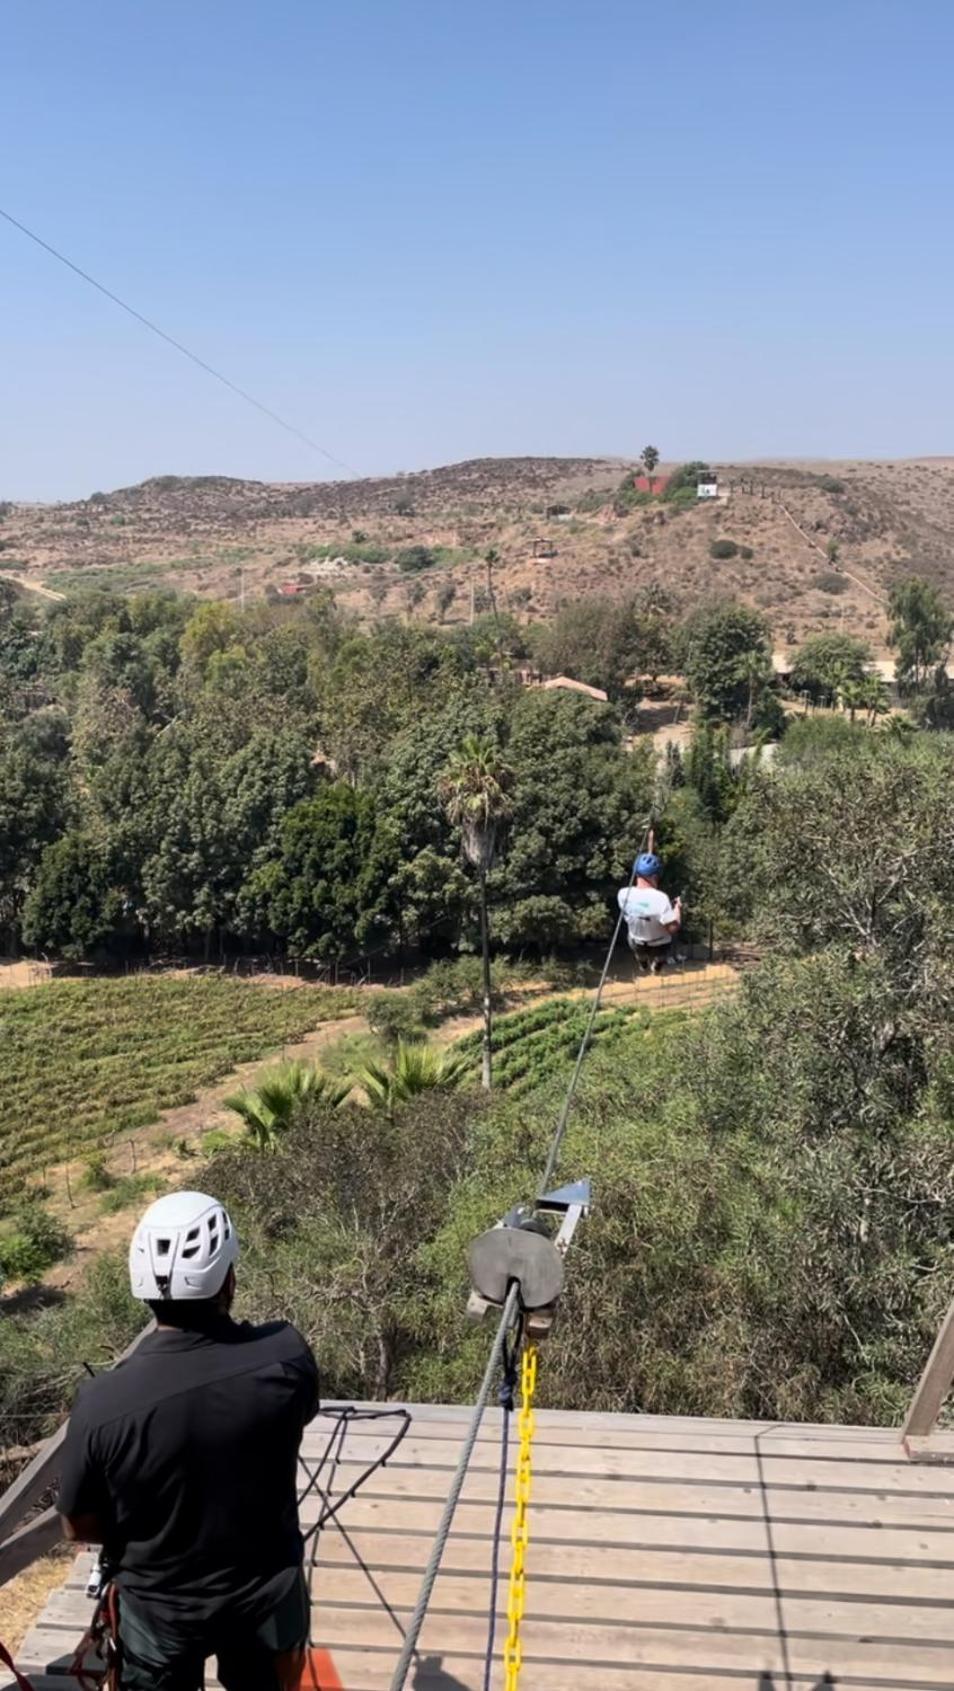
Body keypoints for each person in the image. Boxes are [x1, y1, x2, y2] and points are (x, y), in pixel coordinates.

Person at [58, 1191, 319, 1691]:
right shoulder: (285, 1357)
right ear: (229, 1280)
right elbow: (299, 1417)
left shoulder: (103, 1401)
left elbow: (77, 1524)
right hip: (263, 1595)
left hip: (158, 1608)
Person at [618, 852, 682, 973]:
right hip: (659, 944)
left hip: (637, 942)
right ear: (654, 876)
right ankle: (658, 964)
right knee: (669, 940)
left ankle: (642, 962)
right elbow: (673, 928)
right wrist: (677, 909)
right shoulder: (661, 898)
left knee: (633, 942)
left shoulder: (622, 894)